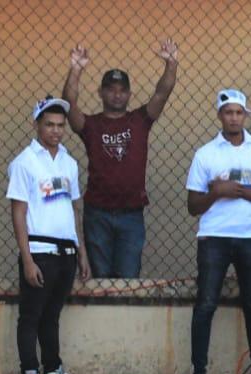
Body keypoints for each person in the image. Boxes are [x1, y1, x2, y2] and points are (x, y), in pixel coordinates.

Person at [185, 89, 251, 374]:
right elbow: (193, 205)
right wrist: (216, 194)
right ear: (220, 116)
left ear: (246, 116)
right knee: (206, 305)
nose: (234, 118)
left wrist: (236, 191)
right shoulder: (206, 154)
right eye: (228, 112)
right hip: (213, 238)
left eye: (239, 112)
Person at [61, 41, 179, 278]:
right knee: (100, 280)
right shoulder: (90, 125)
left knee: (127, 280)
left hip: (131, 214)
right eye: (111, 89)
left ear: (129, 94)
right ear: (101, 92)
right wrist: (75, 69)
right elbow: (68, 104)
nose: (117, 94)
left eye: (122, 89)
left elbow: (162, 93)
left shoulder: (140, 120)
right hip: (98, 214)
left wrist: (171, 63)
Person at [7, 96, 94, 374]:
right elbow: (18, 212)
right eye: (49, 125)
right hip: (40, 250)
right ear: (37, 125)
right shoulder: (25, 162)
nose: (56, 131)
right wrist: (27, 257)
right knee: (31, 316)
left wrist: (81, 252)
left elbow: (74, 208)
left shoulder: (69, 163)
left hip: (66, 251)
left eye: (60, 125)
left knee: (52, 316)